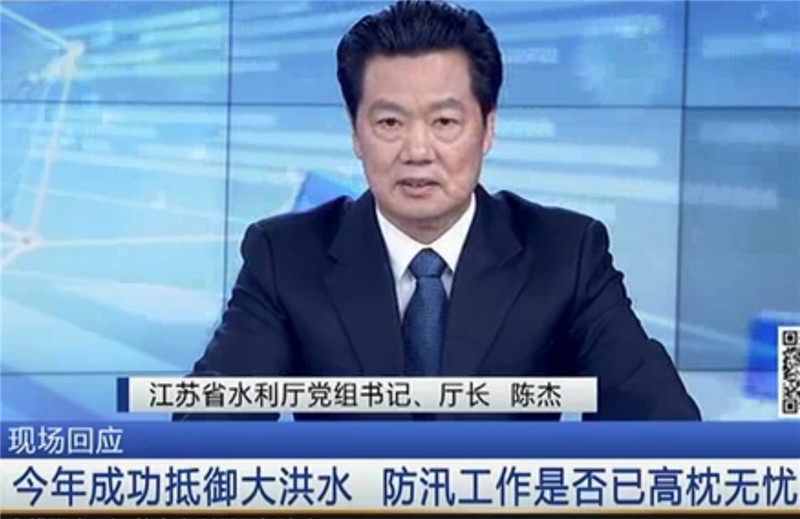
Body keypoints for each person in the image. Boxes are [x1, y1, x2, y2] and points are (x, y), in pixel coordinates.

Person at [179, 0, 700, 421]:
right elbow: (204, 437)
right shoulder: (286, 256)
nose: (417, 150)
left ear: (488, 128)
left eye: (445, 122)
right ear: (355, 132)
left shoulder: (565, 254)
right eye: (389, 123)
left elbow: (663, 426)